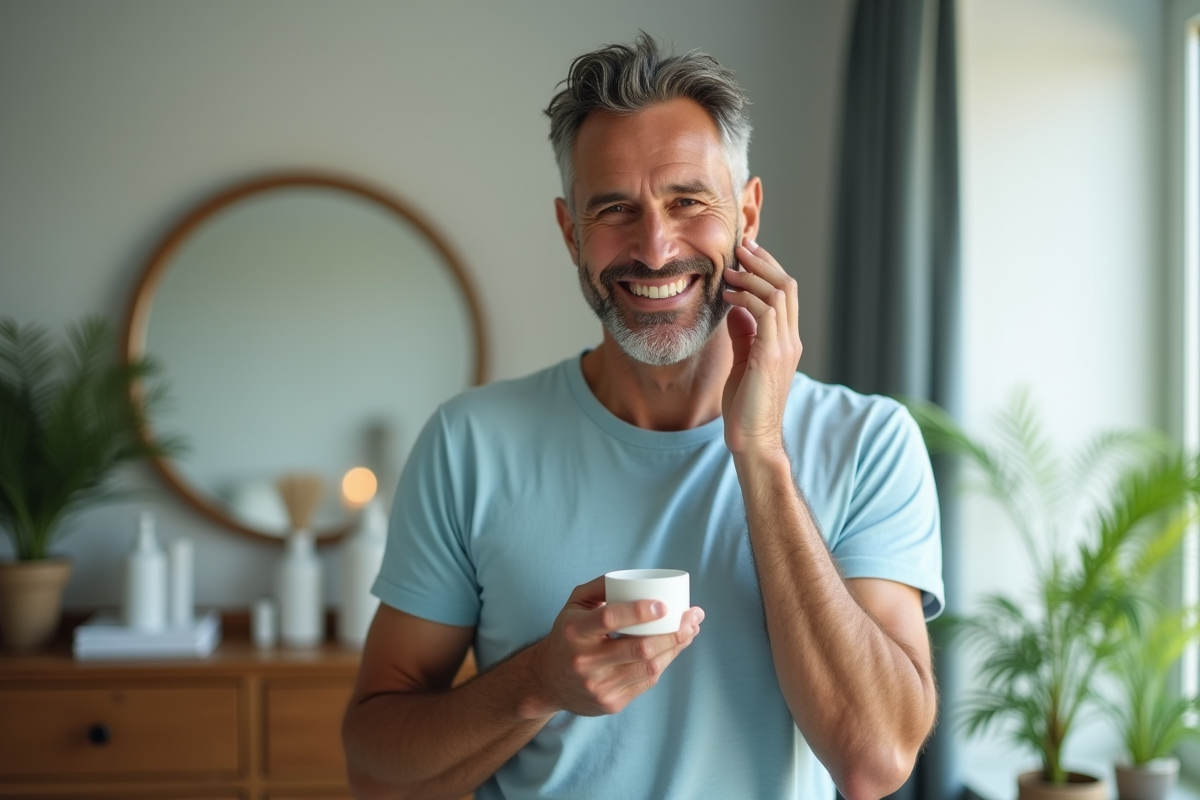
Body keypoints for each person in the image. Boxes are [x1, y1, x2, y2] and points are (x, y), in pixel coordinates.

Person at [343, 33, 944, 800]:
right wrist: (538, 683)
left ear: (747, 214)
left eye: (688, 201)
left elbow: (875, 761)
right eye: (615, 210)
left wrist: (759, 450)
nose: (655, 249)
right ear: (571, 233)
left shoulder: (869, 443)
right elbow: (376, 771)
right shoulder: (470, 445)